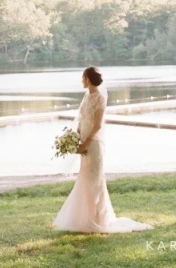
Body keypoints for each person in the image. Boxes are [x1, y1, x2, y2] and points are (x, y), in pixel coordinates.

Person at [53, 66, 154, 234]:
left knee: (94, 179)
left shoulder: (100, 97)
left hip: (93, 144)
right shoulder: (86, 96)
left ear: (88, 79)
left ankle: (98, 219)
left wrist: (86, 143)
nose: (81, 81)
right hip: (83, 140)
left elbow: (98, 124)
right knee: (84, 177)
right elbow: (82, 118)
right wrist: (77, 136)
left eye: (83, 77)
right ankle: (84, 218)